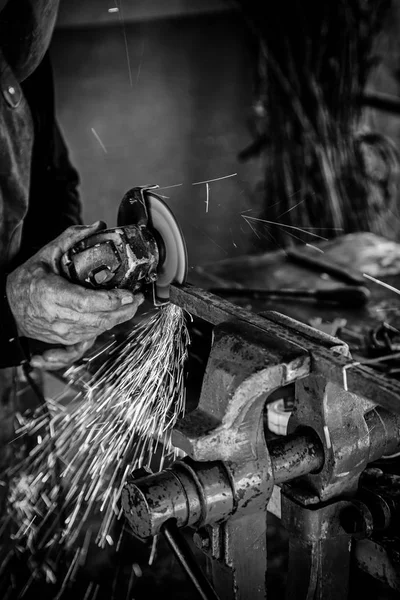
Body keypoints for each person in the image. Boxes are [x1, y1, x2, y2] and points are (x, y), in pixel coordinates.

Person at [0, 0, 143, 561]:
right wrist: (8, 311)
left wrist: (62, 285)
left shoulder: (23, 26)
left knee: (21, 531)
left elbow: (52, 178)